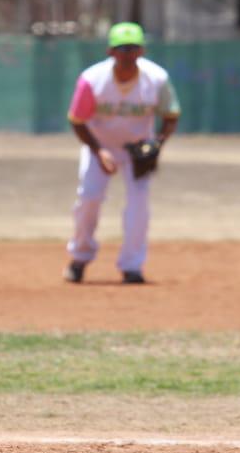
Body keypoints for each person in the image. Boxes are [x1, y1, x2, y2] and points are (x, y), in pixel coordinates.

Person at [63, 21, 180, 285]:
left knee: (139, 206)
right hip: (99, 146)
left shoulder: (156, 78)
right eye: (122, 48)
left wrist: (157, 144)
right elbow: (77, 120)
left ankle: (132, 266)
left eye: (133, 48)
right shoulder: (92, 79)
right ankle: (79, 257)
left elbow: (171, 115)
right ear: (110, 52)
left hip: (137, 151)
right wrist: (98, 151)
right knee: (89, 199)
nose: (128, 54)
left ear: (142, 51)